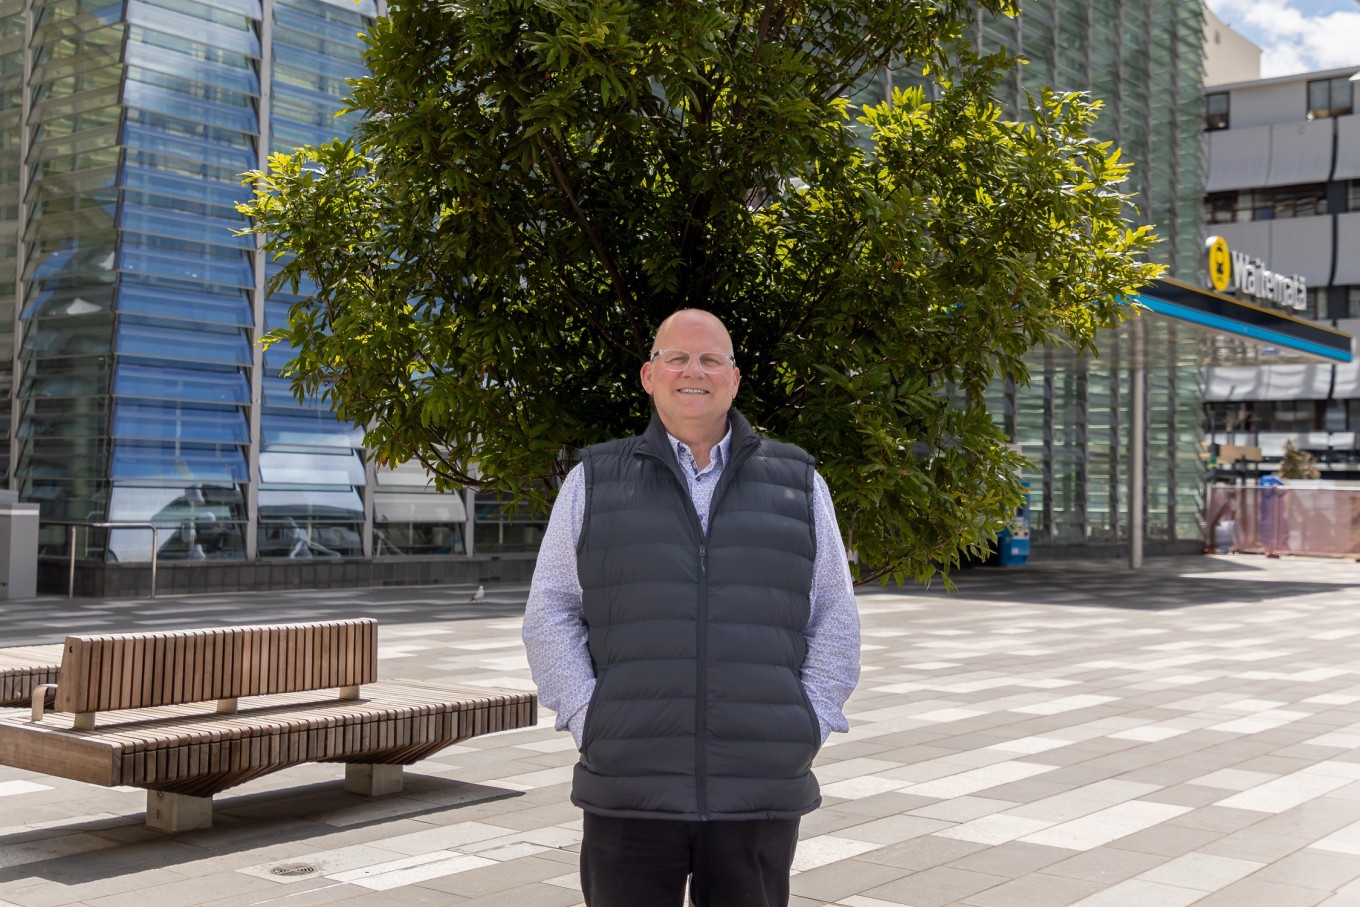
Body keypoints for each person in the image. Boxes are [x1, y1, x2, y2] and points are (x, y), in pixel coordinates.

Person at [521, 309, 861, 907]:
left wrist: (807, 721)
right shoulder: (594, 480)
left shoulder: (799, 481)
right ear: (650, 375)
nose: (692, 371)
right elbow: (551, 608)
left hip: (757, 786)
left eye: (710, 359)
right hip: (630, 784)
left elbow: (834, 612)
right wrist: (587, 715)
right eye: (676, 358)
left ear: (734, 378)